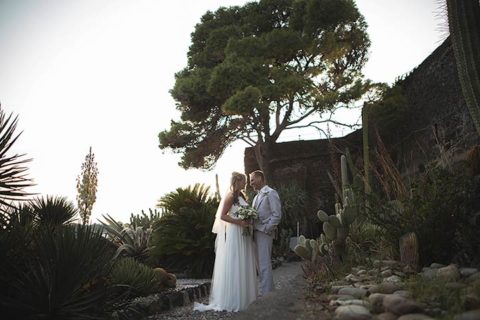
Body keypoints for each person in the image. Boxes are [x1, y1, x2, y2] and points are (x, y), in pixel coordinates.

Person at [194, 172, 258, 312]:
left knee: (244, 261)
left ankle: (246, 298)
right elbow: (222, 216)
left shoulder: (241, 196)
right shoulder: (230, 196)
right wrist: (238, 222)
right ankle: (234, 299)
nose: (246, 183)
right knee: (236, 261)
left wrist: (248, 220)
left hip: (244, 233)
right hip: (235, 232)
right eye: (244, 181)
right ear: (237, 181)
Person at [249, 170, 282, 296]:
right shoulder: (256, 196)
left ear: (260, 178)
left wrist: (267, 228)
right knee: (259, 265)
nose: (251, 183)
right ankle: (265, 290)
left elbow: (277, 215)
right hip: (255, 233)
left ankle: (267, 293)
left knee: (264, 263)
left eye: (252, 180)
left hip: (264, 233)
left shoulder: (271, 193)